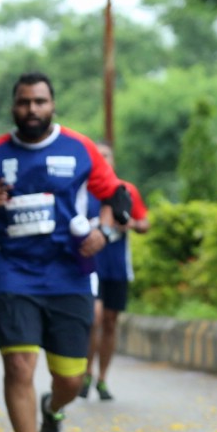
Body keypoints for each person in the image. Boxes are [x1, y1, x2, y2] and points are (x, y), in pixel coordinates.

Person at [0, 72, 122, 432]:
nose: (32, 109)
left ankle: (54, 409)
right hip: (14, 274)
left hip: (69, 276)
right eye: (24, 102)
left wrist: (105, 232)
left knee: (70, 379)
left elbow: (116, 196)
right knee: (18, 365)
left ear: (53, 105)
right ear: (14, 107)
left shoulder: (79, 147)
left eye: (40, 102)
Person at [80, 141, 149, 402]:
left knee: (109, 323)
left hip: (118, 268)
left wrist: (128, 223)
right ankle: (86, 373)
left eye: (107, 156)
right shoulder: (83, 190)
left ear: (114, 161)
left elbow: (145, 223)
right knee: (94, 319)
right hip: (90, 267)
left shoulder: (126, 190)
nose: (103, 160)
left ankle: (103, 379)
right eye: (98, 156)